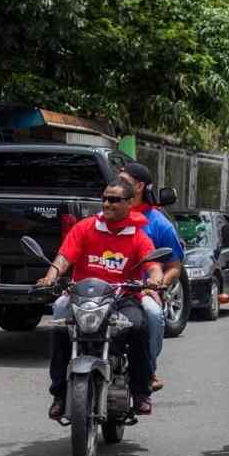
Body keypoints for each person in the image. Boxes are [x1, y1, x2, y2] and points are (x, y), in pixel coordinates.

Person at [37, 180, 162, 419]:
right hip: (82, 297)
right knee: (60, 329)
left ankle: (141, 392)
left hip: (122, 298)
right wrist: (50, 276)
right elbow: (64, 257)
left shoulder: (138, 236)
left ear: (129, 203)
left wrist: (155, 280)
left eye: (114, 200)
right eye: (104, 198)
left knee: (139, 327)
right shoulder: (85, 227)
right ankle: (59, 395)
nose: (107, 204)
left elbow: (153, 265)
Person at [118, 163, 184, 393]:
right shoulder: (107, 216)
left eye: (123, 180)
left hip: (142, 291)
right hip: (108, 289)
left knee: (154, 315)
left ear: (138, 186)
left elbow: (174, 267)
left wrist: (157, 285)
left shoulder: (159, 224)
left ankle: (148, 371)